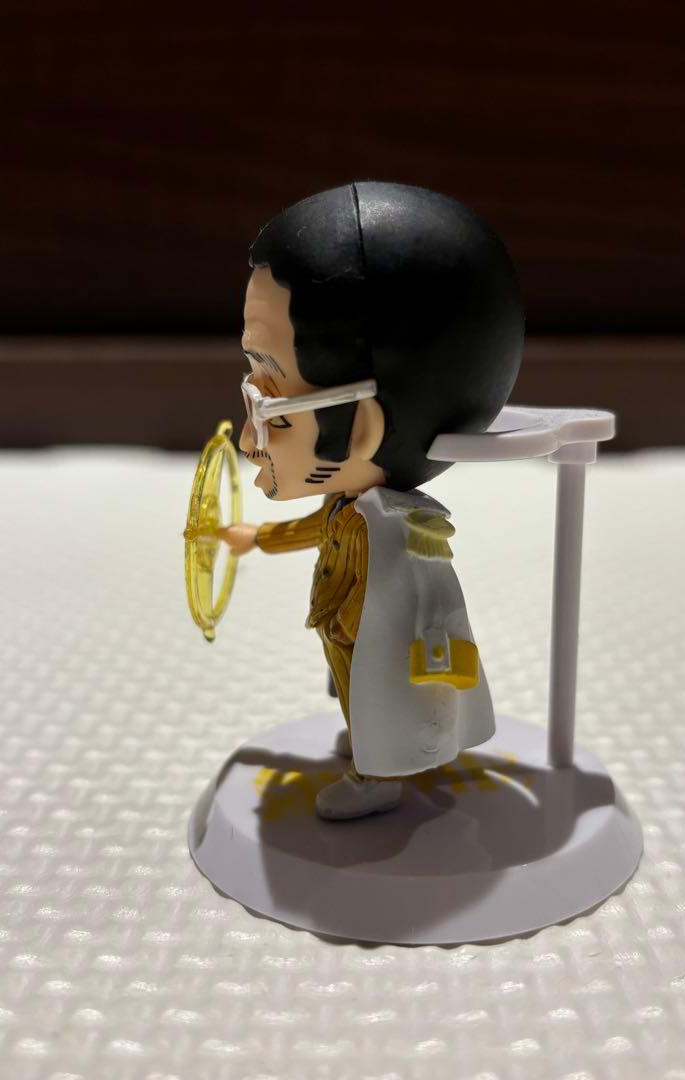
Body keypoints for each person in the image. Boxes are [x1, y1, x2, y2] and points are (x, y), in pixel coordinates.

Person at [219, 181, 524, 819]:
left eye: (274, 414)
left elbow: (428, 607)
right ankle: (369, 739)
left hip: (373, 635)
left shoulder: (403, 532)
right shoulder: (352, 507)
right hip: (341, 624)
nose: (249, 440)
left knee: (384, 693)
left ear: (361, 428)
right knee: (357, 689)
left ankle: (378, 773)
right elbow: (317, 528)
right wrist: (260, 539)